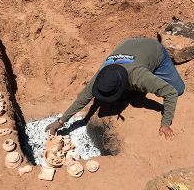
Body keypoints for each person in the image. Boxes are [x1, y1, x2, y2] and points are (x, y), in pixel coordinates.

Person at [45, 37, 185, 140]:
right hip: (129, 44)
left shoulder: (138, 77)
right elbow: (82, 99)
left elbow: (171, 93)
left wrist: (165, 123)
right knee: (133, 92)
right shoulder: (104, 73)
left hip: (155, 51)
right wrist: (60, 121)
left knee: (178, 89)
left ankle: (152, 68)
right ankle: (145, 70)